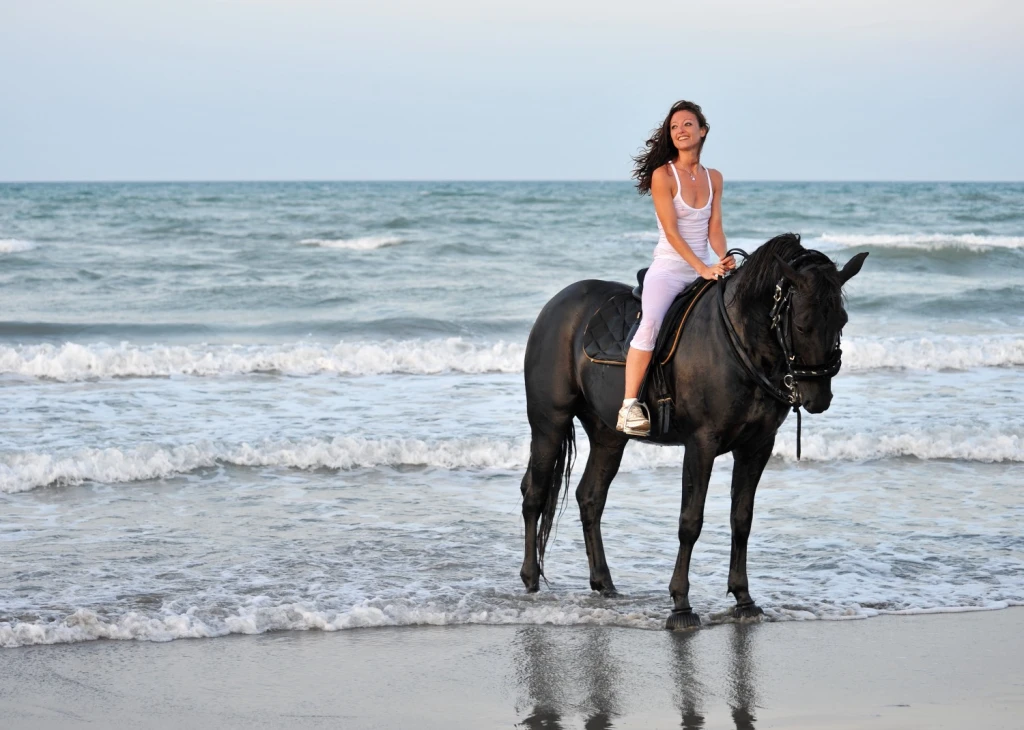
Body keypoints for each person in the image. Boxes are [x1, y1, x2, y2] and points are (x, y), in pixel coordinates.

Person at [617, 100, 735, 437]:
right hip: (669, 268)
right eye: (674, 127)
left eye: (686, 124)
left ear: (703, 131)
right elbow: (672, 231)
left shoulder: (715, 178)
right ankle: (628, 406)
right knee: (651, 324)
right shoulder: (663, 175)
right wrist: (702, 268)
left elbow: (714, 229)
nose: (680, 131)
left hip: (705, 267)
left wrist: (725, 258)